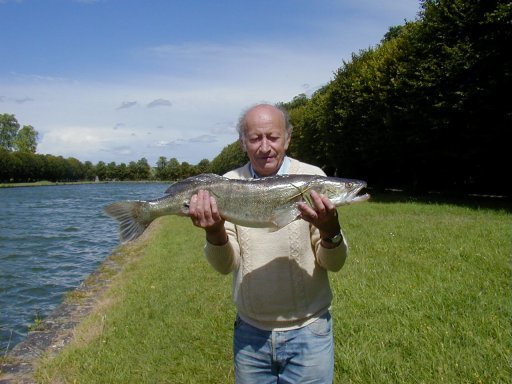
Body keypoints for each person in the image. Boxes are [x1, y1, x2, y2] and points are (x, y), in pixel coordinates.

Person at [188, 103, 348, 384]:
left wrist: (330, 229)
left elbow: (333, 264)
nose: (265, 147)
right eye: (255, 138)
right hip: (251, 335)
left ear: (287, 138)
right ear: (243, 143)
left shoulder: (313, 178)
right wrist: (214, 232)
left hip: (310, 332)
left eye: (273, 137)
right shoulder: (227, 183)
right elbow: (226, 265)